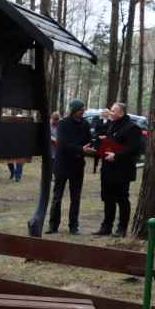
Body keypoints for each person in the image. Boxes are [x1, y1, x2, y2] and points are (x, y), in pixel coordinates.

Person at [46, 99, 97, 235]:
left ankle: (73, 227)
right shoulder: (63, 123)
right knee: (57, 197)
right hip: (62, 165)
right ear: (74, 110)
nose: (84, 112)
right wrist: (81, 149)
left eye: (84, 109)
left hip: (77, 166)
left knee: (76, 198)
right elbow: (62, 143)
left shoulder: (85, 124)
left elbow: (89, 142)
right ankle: (53, 225)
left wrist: (84, 151)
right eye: (81, 109)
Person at [92, 102, 141, 237]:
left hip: (122, 171)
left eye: (113, 111)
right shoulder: (112, 125)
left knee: (122, 199)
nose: (110, 113)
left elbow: (134, 149)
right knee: (107, 198)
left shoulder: (132, 127)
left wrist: (117, 156)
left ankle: (122, 229)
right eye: (111, 111)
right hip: (108, 169)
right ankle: (106, 226)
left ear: (121, 113)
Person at [92, 108, 111, 173]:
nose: (104, 114)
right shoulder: (99, 121)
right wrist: (98, 136)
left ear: (108, 114)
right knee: (96, 154)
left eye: (106, 112)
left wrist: (106, 136)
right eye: (103, 112)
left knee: (104, 154)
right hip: (98, 140)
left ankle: (102, 168)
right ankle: (95, 167)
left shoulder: (110, 122)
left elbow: (110, 131)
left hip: (106, 141)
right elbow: (96, 130)